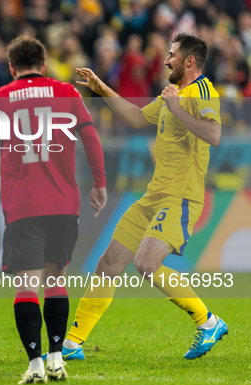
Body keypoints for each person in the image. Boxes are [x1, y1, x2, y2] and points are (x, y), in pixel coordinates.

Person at [61, 33, 227, 361]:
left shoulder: (201, 92)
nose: (166, 60)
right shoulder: (172, 94)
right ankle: (72, 343)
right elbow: (137, 117)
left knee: (146, 263)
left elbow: (214, 133)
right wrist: (102, 89)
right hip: (152, 196)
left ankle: (208, 322)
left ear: (189, 61)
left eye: (172, 55)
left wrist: (177, 108)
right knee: (107, 264)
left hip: (181, 197)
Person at [0, 36, 107, 384]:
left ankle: (36, 366)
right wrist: (99, 183)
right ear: (43, 65)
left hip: (23, 205)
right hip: (63, 203)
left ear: (12, 68)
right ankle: (57, 358)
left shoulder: (1, 97)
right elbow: (90, 137)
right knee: (57, 278)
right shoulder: (68, 93)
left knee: (27, 285)